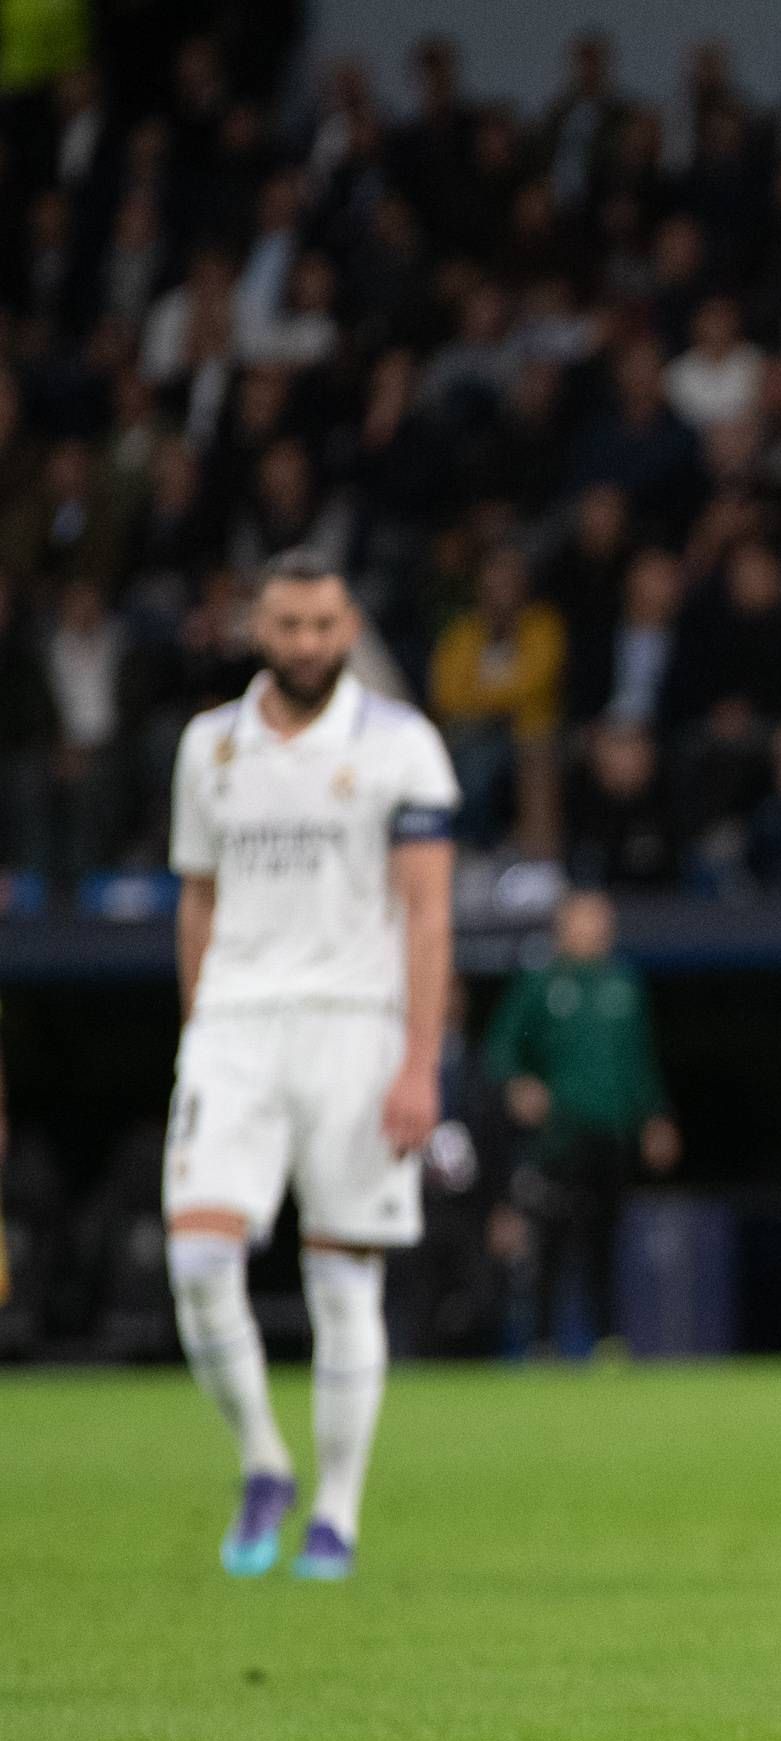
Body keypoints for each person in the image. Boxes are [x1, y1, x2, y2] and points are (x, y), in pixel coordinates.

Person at [163, 552, 459, 1582]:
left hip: (354, 1025)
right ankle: (263, 1461)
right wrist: (200, 1026)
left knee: (342, 1283)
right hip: (236, 1028)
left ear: (348, 627)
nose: (306, 644)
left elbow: (428, 913)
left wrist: (421, 1061)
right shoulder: (208, 749)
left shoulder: (399, 744)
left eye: (324, 625)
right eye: (287, 624)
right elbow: (197, 898)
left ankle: (335, 1510)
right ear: (258, 627)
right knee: (198, 1265)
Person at [483, 889, 680, 1359]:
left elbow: (640, 1060)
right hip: (558, 1135)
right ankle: (543, 1342)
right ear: (562, 925)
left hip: (610, 1133)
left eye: (601, 919)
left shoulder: (624, 983)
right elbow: (501, 1049)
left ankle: (608, 1341)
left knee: (606, 1239)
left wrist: (655, 1117)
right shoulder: (541, 982)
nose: (595, 928)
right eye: (585, 919)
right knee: (550, 1238)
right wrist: (519, 1084)